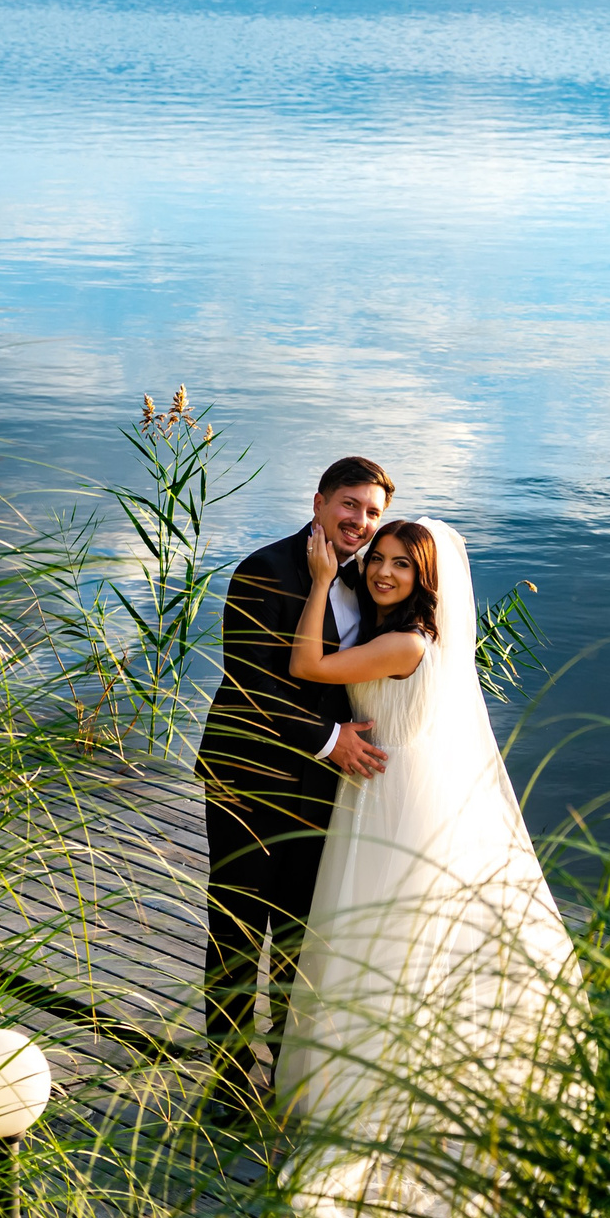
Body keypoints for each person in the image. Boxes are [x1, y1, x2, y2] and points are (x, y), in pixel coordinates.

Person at [276, 515, 578, 1218]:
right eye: (376, 559)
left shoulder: (408, 641)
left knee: (384, 930)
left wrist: (320, 581)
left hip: (393, 795)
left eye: (400, 566)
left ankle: (382, 1095)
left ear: (426, 579)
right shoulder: (408, 634)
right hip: (390, 785)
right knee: (380, 929)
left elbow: (308, 666)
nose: (381, 572)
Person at [194, 457, 396, 1125]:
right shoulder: (262, 569)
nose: (359, 522)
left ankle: (287, 1070)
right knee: (237, 934)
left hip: (320, 791)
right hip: (247, 778)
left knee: (299, 939)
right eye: (349, 504)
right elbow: (253, 680)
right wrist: (332, 738)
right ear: (318, 500)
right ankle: (226, 1085)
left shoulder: (371, 581)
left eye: (371, 512)